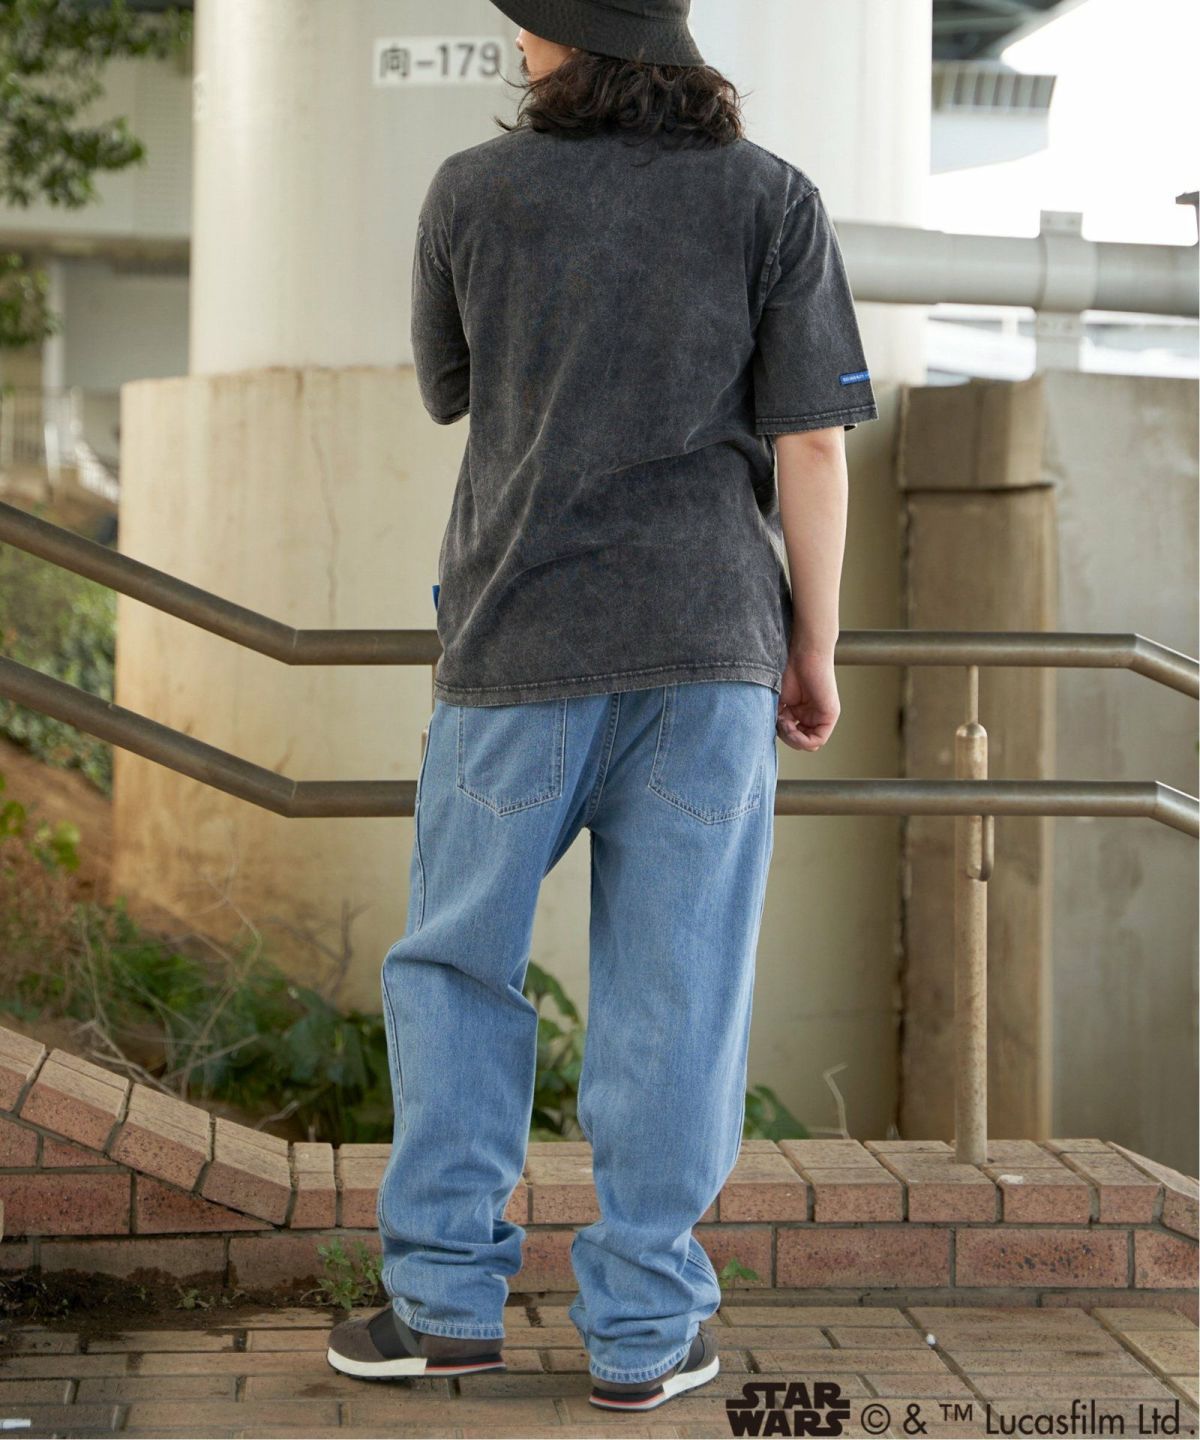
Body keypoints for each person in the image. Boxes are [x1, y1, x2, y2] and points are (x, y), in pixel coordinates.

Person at [327, 0, 879, 1413]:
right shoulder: (773, 197)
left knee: (458, 972)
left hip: (516, 644)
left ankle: (443, 1305)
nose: (514, 42)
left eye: (527, 23)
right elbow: (813, 446)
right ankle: (640, 1333)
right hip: (709, 653)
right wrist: (812, 646)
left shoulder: (472, 192)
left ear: (573, 37)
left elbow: (451, 389)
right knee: (676, 993)